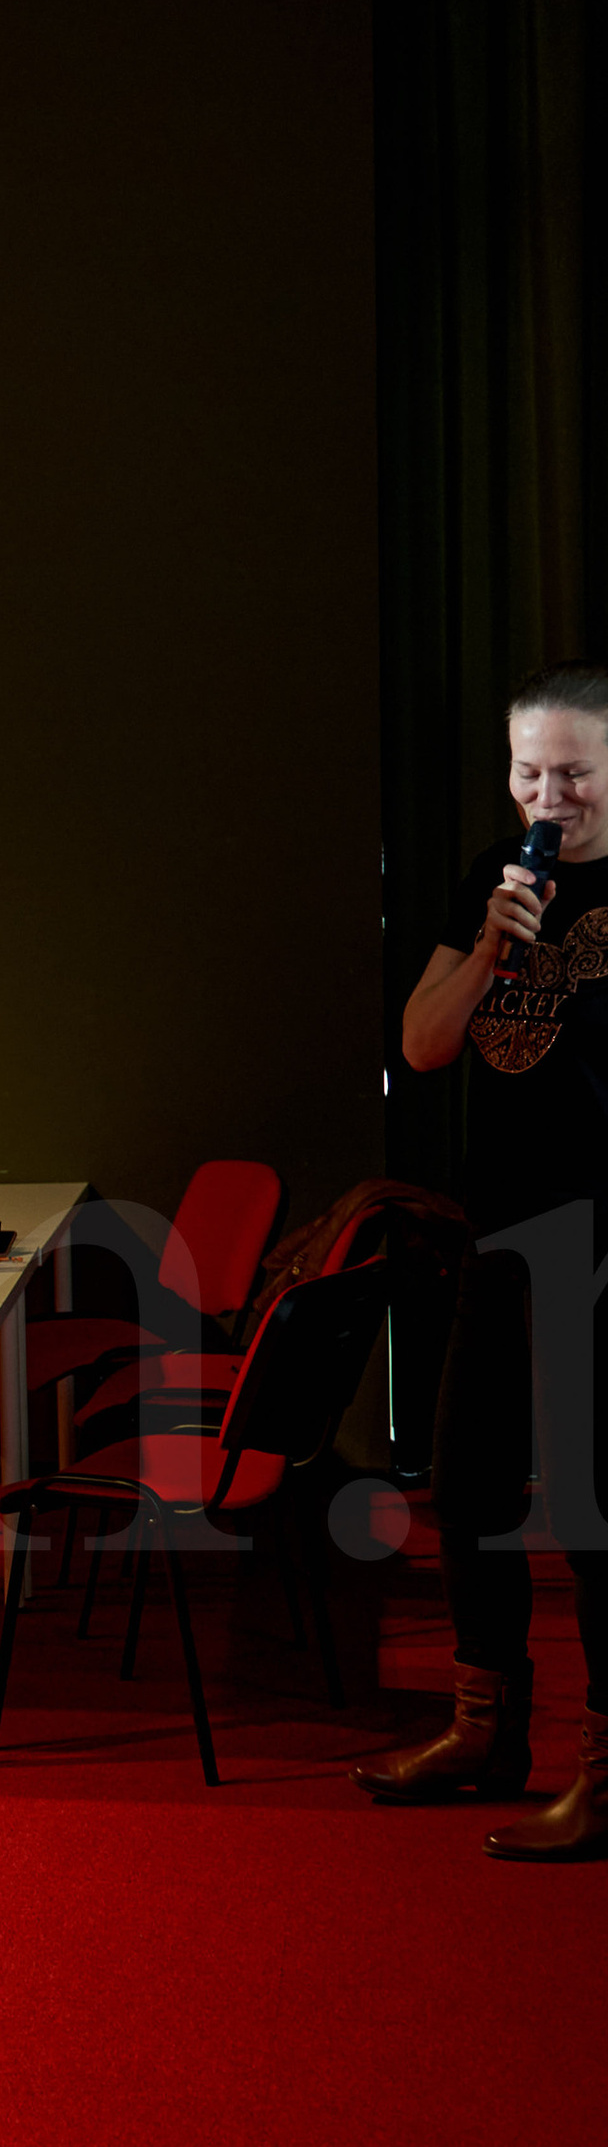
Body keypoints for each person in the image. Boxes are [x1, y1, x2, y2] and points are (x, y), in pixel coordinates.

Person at [363, 658, 608, 1858]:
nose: (547, 796)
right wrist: (488, 945)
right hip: (499, 1238)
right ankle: (484, 1729)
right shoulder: (492, 884)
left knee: (593, 1512)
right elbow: (419, 1046)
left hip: (604, 1252)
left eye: (573, 771)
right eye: (527, 771)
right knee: (467, 1491)